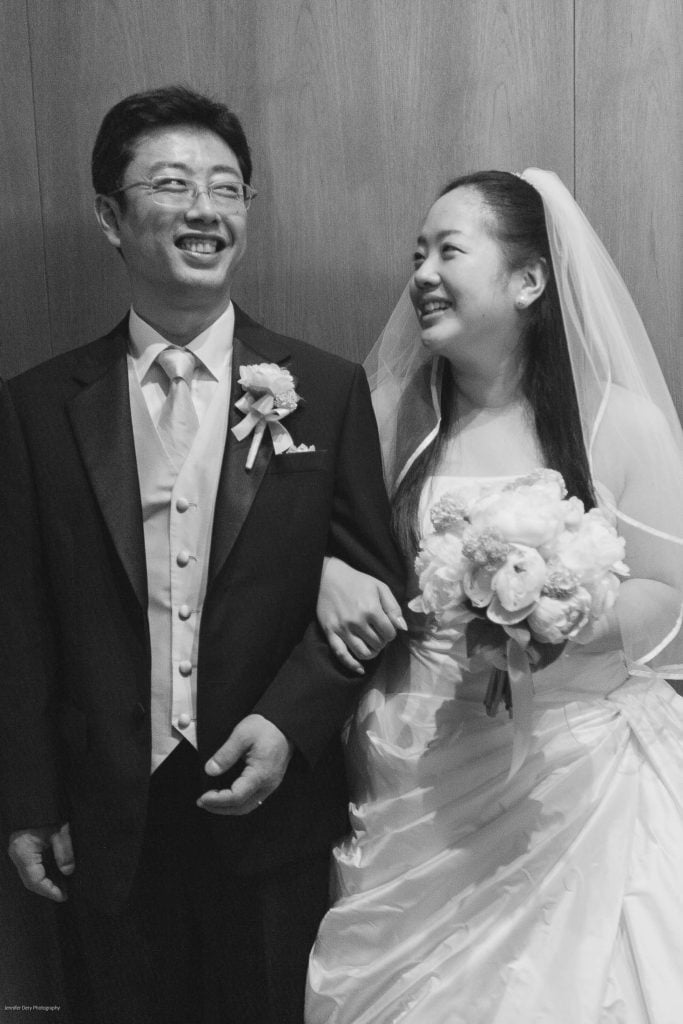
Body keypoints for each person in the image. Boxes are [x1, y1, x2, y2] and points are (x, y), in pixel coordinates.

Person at [0, 85, 404, 1024]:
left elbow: (379, 582)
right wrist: (26, 798)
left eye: (226, 188)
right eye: (172, 184)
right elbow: (17, 616)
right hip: (102, 812)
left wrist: (291, 721)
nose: (204, 210)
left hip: (270, 806)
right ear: (111, 215)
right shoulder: (35, 408)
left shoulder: (325, 388)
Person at [305, 169, 683, 1022]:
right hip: (420, 760)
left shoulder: (617, 423)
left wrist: (569, 612)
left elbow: (668, 596)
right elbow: (317, 548)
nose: (422, 275)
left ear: (528, 280)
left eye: (448, 250)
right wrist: (324, 574)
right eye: (416, 254)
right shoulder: (384, 413)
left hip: (580, 770)